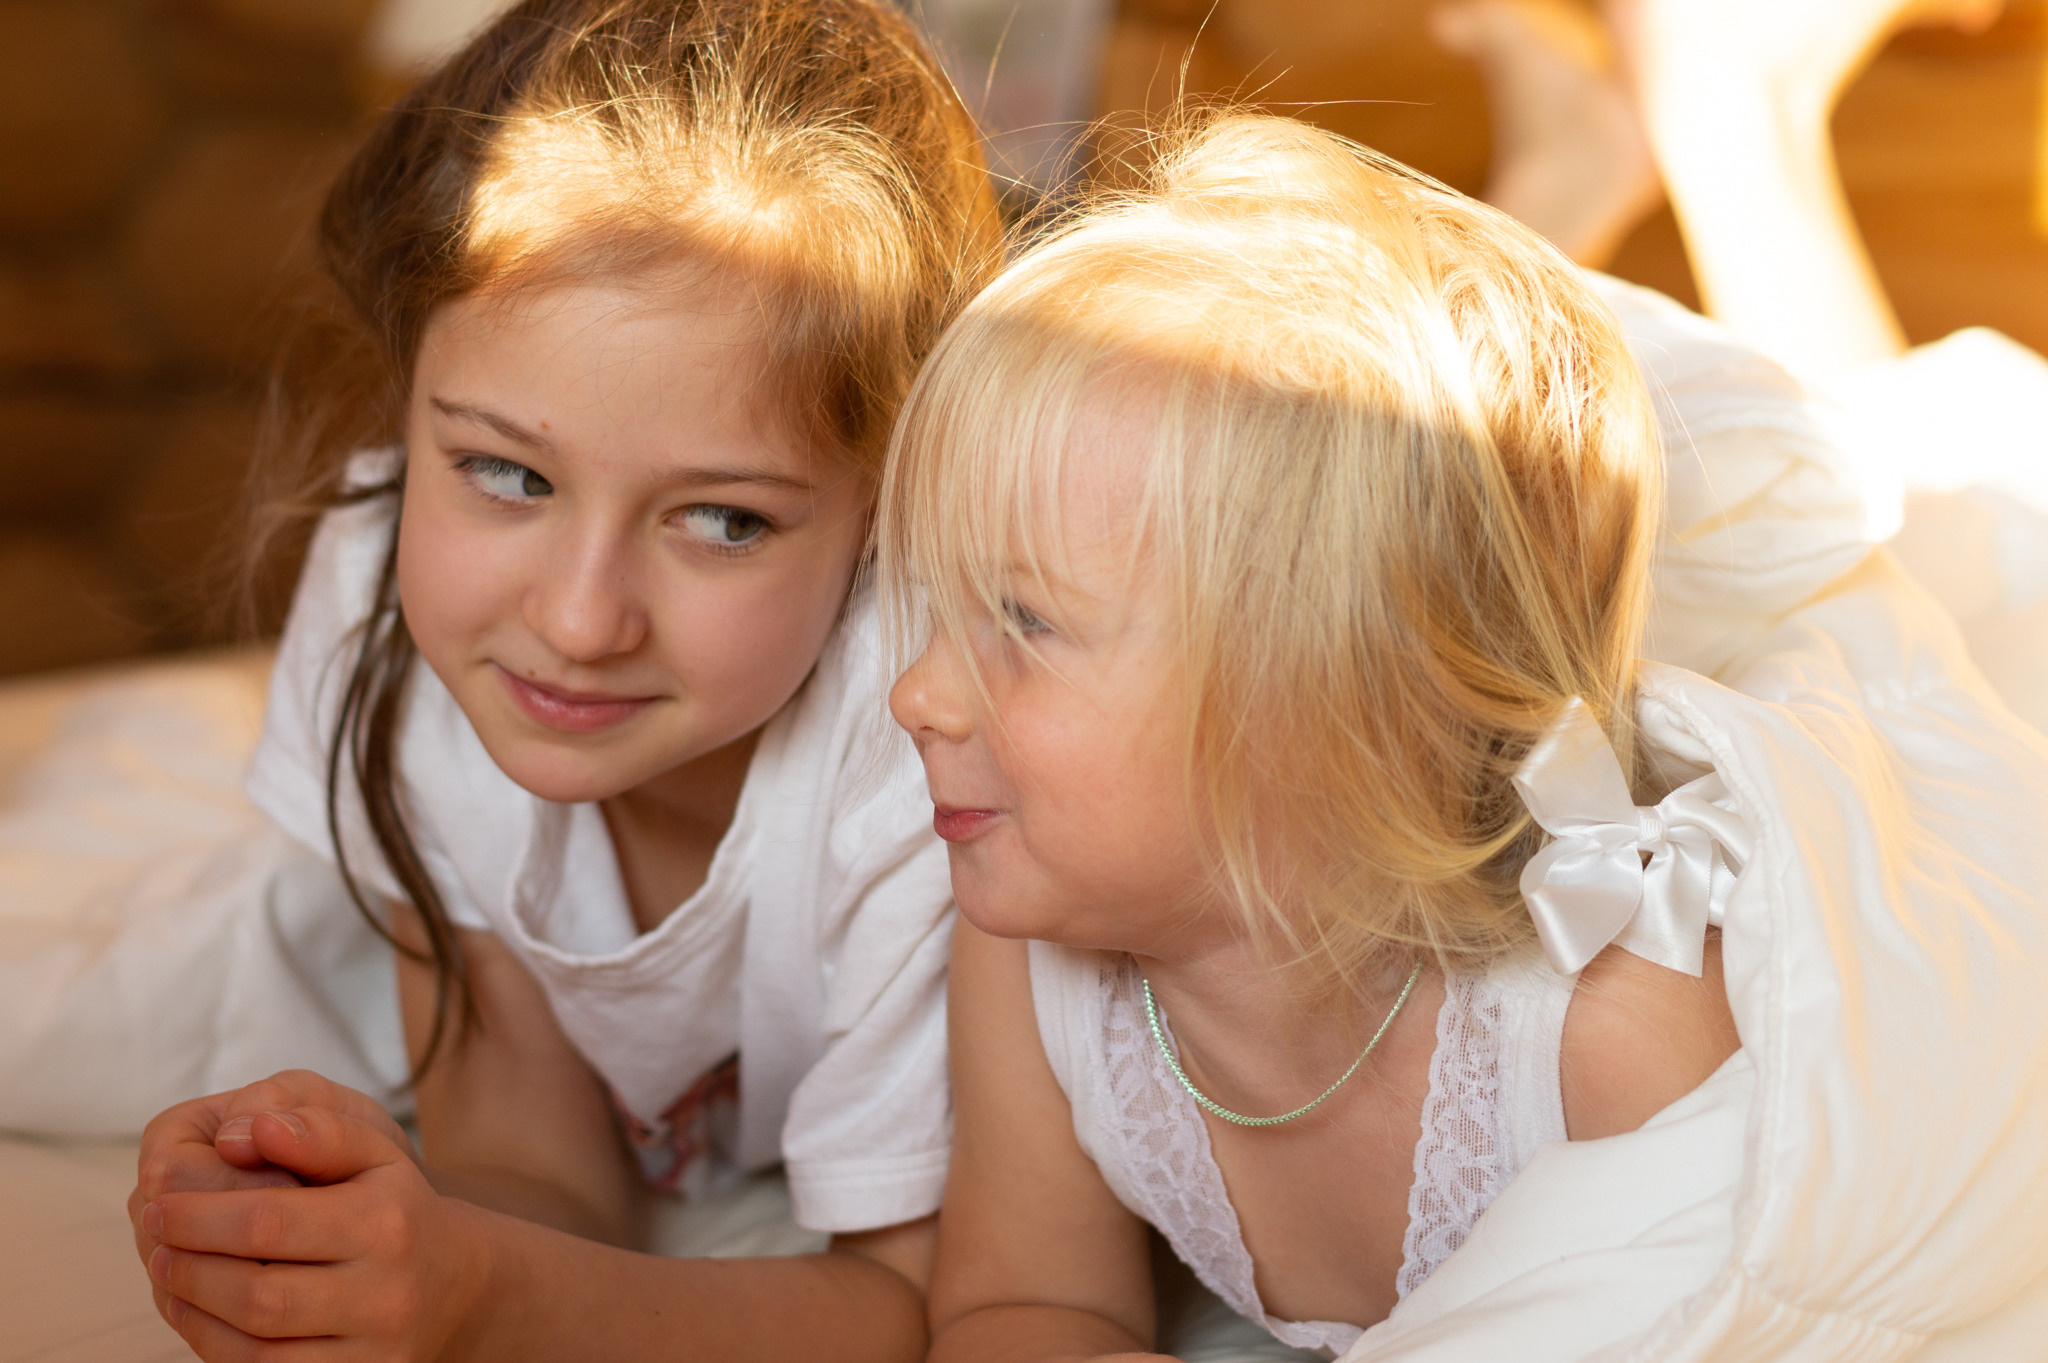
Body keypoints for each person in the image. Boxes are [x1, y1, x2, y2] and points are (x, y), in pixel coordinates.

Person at [883, 113, 2048, 1361]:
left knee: (1948, 500)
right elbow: (1020, 1306)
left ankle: (1732, 114)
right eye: (935, 608)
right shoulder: (1036, 952)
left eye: (1022, 621)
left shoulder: (1614, 1026)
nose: (915, 696)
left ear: (1328, 705)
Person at [125, 1, 1001, 1358]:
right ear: (408, 395)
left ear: (893, 508)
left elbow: (910, 1304)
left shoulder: (928, 742)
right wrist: (369, 1235)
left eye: (724, 519)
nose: (582, 621)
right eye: (506, 473)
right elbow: (532, 1161)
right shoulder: (383, 604)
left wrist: (491, 1289)